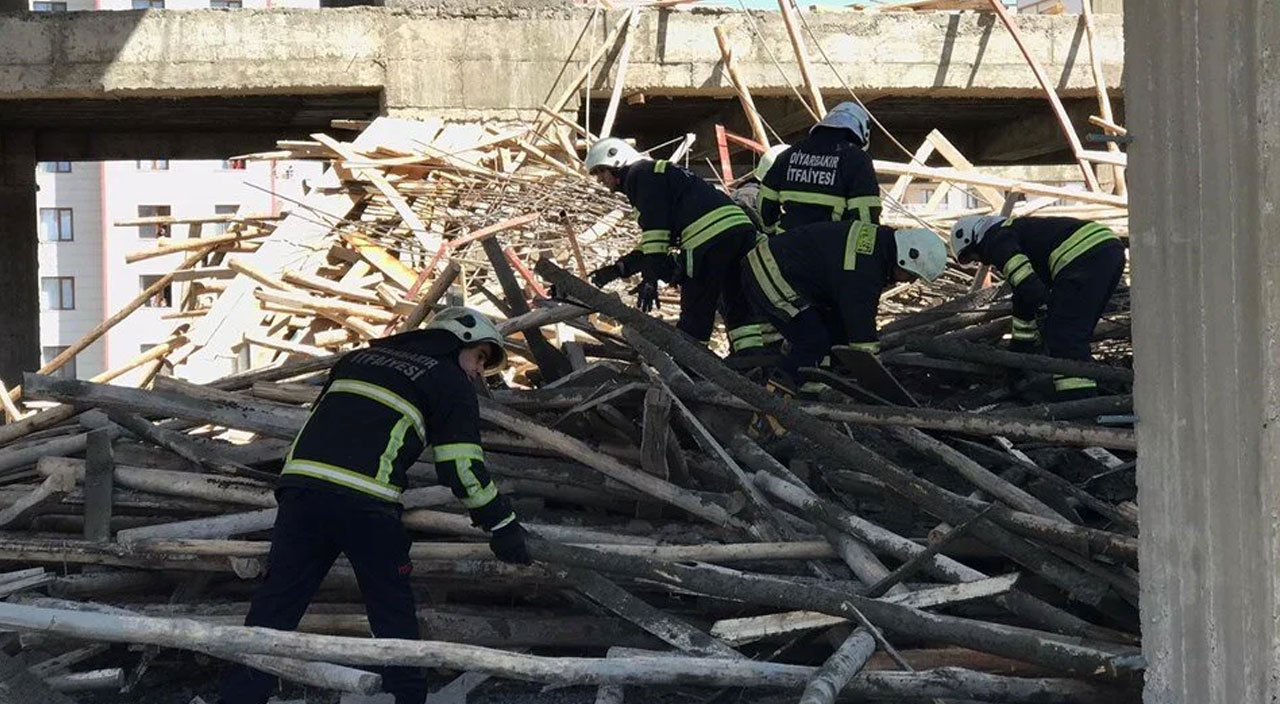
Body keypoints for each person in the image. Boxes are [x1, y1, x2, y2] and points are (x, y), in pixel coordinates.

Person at [219, 307, 530, 704]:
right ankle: (408, 699)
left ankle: (237, 698)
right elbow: (460, 467)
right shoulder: (448, 380)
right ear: (458, 344)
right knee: (392, 613)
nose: (478, 373)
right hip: (366, 501)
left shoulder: (357, 359)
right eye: (480, 358)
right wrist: (502, 525)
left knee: (274, 608)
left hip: (300, 493)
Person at [584, 137, 767, 357]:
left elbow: (656, 233)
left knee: (697, 306)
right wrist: (619, 269)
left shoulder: (639, 176)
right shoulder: (660, 174)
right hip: (740, 232)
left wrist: (651, 278)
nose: (601, 181)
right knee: (737, 303)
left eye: (601, 173)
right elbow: (659, 238)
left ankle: (689, 365)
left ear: (616, 163)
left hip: (709, 238)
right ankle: (751, 361)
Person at [741, 220, 948, 391]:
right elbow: (860, 323)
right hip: (771, 270)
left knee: (829, 334)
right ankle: (774, 396)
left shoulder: (878, 247)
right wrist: (873, 372)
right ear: (904, 258)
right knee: (812, 340)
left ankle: (812, 391)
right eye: (912, 275)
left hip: (786, 270)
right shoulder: (866, 269)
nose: (909, 282)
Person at [950, 215, 1124, 400]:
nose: (981, 262)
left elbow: (1026, 283)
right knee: (1075, 332)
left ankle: (1078, 402)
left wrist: (1044, 304)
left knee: (1063, 336)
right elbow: (1023, 301)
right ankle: (1087, 392)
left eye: (971, 256)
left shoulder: (995, 239)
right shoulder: (1021, 235)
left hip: (1082, 257)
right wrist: (1020, 350)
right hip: (1108, 251)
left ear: (974, 238)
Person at [759, 102, 881, 236]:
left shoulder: (790, 154)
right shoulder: (857, 160)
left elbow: (765, 202)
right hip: (830, 247)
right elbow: (866, 217)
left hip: (786, 243)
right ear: (862, 132)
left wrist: (772, 231)